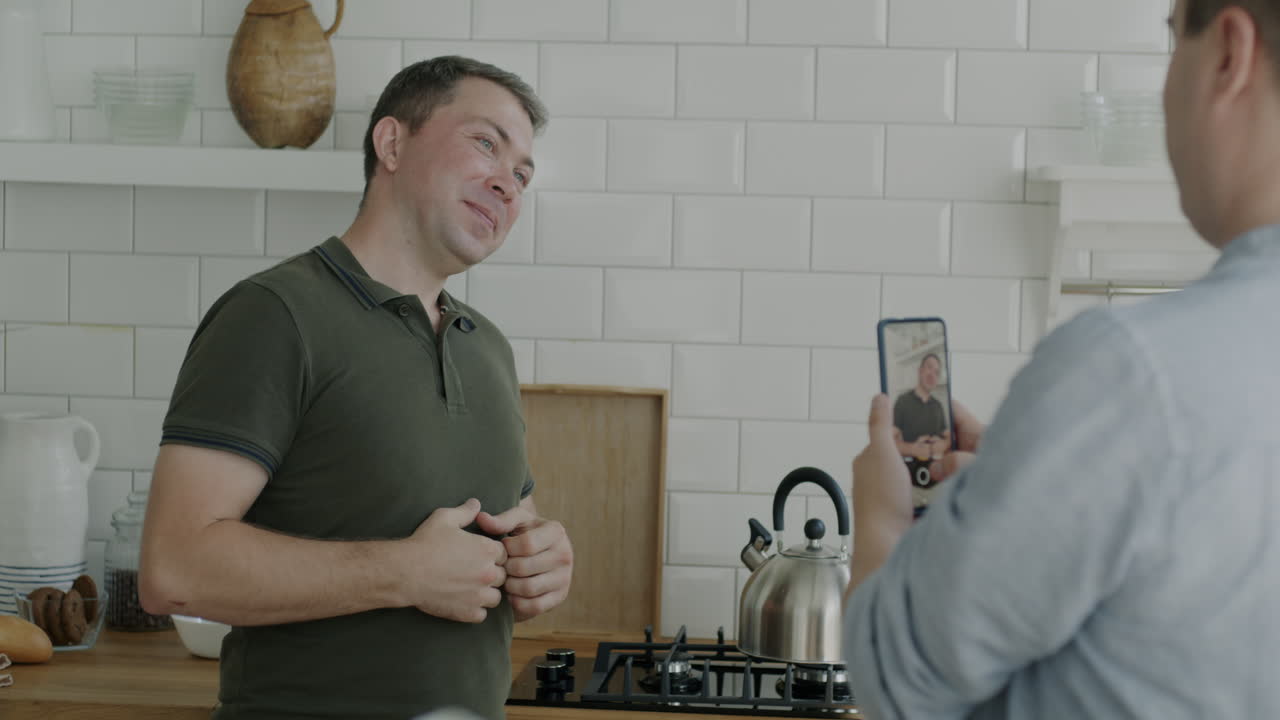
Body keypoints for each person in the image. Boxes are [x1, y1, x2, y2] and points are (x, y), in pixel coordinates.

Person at [844, 0, 1280, 717]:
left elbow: (898, 680)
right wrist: (1024, 473)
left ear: (1230, 53)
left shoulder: (1127, 374)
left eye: (1175, 42)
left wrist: (885, 519)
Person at [137, 57, 573, 720]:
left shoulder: (488, 348)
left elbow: (505, 530)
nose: (508, 184)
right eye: (486, 143)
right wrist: (404, 573)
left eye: (522, 173)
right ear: (392, 143)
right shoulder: (275, 315)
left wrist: (540, 556)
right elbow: (174, 570)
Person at [891, 353, 950, 461]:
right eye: (929, 367)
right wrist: (913, 449)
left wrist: (943, 445)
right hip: (910, 470)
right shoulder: (902, 401)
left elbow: (949, 437)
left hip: (936, 470)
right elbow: (888, 442)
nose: (932, 374)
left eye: (937, 372)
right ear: (920, 370)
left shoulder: (938, 406)